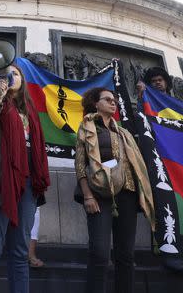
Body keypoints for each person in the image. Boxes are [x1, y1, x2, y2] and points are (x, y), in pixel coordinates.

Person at [0, 64, 50, 293]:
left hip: (26, 183)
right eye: (6, 74)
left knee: (20, 252)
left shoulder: (31, 111)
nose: (11, 77)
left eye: (16, 73)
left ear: (22, 80)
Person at [76, 87, 155, 293]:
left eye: (115, 101)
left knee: (126, 256)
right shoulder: (87, 127)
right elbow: (80, 164)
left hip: (127, 195)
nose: (114, 103)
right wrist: (87, 195)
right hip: (99, 195)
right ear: (96, 103)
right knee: (100, 254)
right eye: (108, 99)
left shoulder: (124, 133)